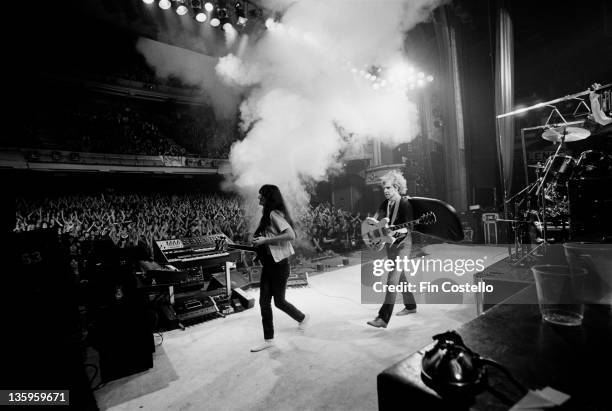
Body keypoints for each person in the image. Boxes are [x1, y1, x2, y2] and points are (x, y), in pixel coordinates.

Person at [250, 184, 309, 352]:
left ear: (269, 198)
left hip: (279, 265)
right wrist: (259, 252)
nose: (258, 198)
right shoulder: (267, 214)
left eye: (261, 195)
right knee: (266, 302)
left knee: (278, 302)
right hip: (271, 264)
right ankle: (269, 339)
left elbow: (290, 235)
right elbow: (270, 239)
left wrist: (263, 241)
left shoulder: (273, 214)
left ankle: (302, 318)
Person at [366, 171, 417, 328]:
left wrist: (395, 230)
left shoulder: (405, 203)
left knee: (392, 279)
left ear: (396, 187)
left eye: (388, 187)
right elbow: (373, 223)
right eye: (384, 188)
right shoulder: (384, 204)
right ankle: (411, 306)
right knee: (400, 277)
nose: (385, 191)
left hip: (403, 244)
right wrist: (373, 233)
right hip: (390, 245)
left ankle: (383, 317)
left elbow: (409, 227)